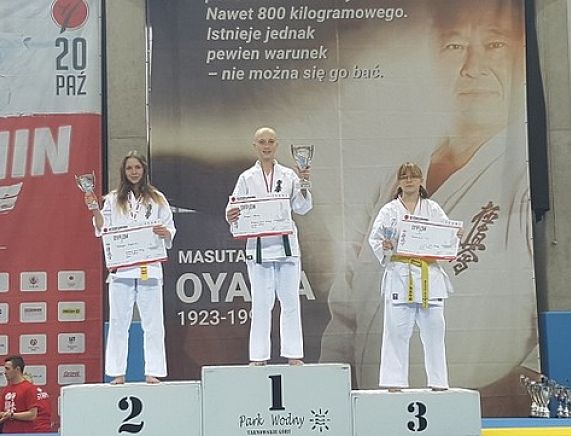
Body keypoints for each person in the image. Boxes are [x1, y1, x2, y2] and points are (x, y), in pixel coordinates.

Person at [85, 150, 176, 384]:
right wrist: (94, 208)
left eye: (137, 167)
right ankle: (117, 372)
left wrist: (165, 233)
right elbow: (102, 228)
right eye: (129, 168)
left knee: (153, 323)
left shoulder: (157, 198)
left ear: (144, 170)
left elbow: (170, 228)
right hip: (122, 269)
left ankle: (153, 371)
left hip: (149, 267)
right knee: (118, 322)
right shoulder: (113, 199)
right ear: (123, 172)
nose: (133, 172)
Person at [226, 127, 312, 365]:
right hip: (259, 247)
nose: (266, 146)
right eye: (262, 142)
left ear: (277, 145)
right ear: (255, 146)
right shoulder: (246, 178)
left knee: (290, 301)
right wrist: (231, 214)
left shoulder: (289, 175)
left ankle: (294, 354)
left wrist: (305, 184)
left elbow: (302, 208)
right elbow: (233, 207)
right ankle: (259, 355)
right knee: (261, 304)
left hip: (286, 247)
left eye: (271, 141)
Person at [369, 163, 456, 391]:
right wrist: (385, 247)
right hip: (400, 274)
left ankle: (438, 381)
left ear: (421, 180)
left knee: (435, 332)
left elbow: (446, 235)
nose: (409, 180)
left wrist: (454, 236)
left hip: (429, 276)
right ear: (399, 182)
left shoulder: (433, 209)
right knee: (396, 332)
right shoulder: (389, 211)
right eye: (404, 177)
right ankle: (394, 381)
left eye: (413, 177)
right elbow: (375, 239)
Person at [0, 356, 38, 433]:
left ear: (17, 369)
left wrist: (11, 415)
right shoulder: (6, 390)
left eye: (7, 369)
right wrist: (4, 415)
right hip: (7, 433)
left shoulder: (29, 388)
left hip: (24, 433)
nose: (5, 372)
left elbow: (32, 415)